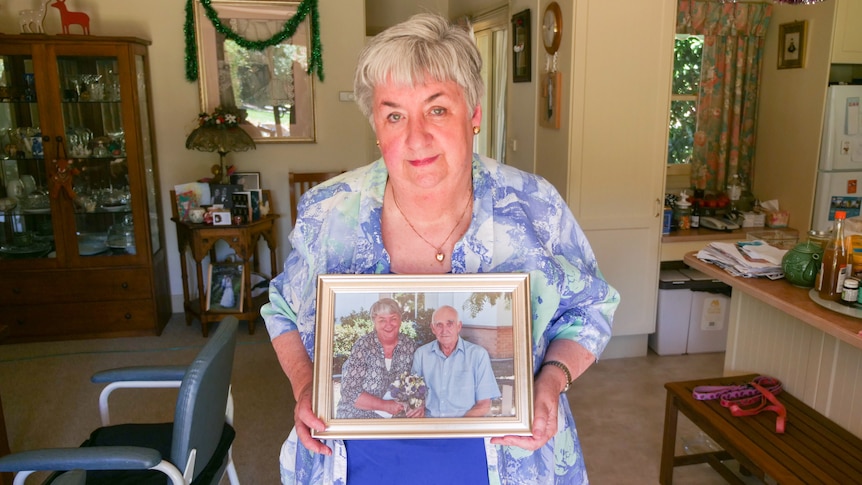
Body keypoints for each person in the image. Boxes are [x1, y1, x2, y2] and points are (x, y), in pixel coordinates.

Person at [262, 12, 619, 485]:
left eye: (436, 109)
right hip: (358, 467)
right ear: (377, 127)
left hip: (504, 463)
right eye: (394, 114)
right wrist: (307, 384)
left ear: (473, 115)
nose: (416, 137)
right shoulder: (329, 212)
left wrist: (550, 382)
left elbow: (590, 308)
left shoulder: (533, 206)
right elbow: (283, 309)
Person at [336, 298, 419, 419]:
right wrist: (385, 406)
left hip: (397, 420)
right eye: (382, 320)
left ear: (400, 320)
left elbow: (418, 382)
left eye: (393, 318)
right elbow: (349, 392)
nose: (389, 324)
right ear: (374, 322)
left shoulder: (409, 346)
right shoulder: (363, 345)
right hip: (358, 416)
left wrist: (417, 404)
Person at [411, 305, 500, 418]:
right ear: (433, 328)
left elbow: (484, 405)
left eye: (450, 324)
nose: (444, 330)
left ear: (459, 326)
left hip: (465, 427)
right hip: (431, 427)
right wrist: (417, 406)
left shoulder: (478, 355)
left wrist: (457, 428)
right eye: (439, 325)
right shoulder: (421, 354)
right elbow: (414, 397)